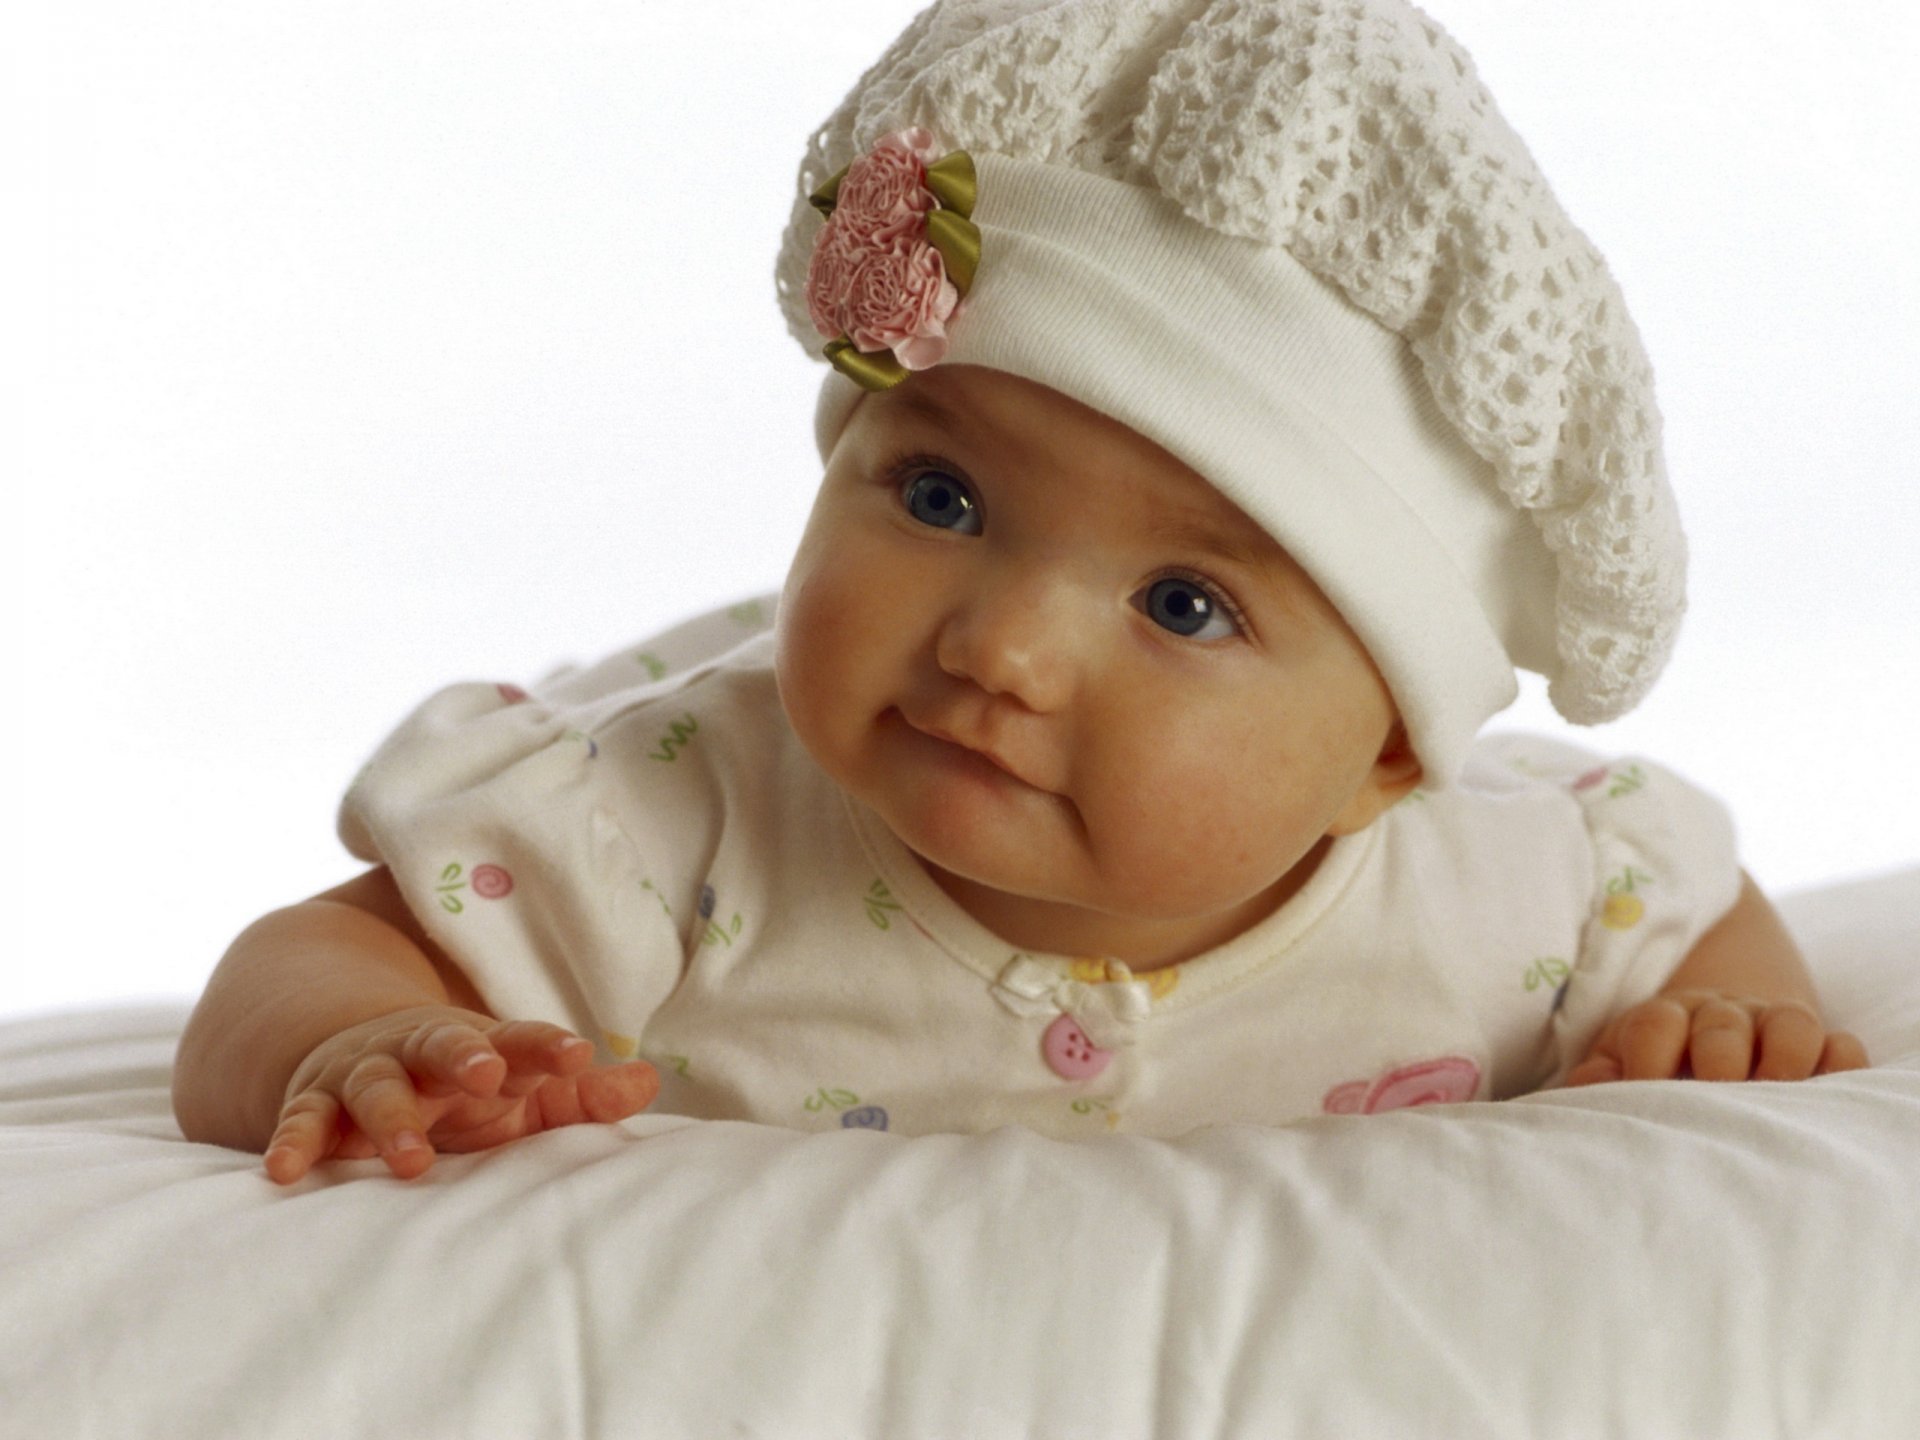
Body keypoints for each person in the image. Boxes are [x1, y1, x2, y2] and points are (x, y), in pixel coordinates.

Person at [172, 0, 1869, 1185]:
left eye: (1185, 606)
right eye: (940, 494)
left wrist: (1740, 1021)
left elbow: (1692, 907)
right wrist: (364, 1043)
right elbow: (303, 960)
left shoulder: (1508, 887)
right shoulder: (664, 826)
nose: (999, 642)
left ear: (1388, 759)